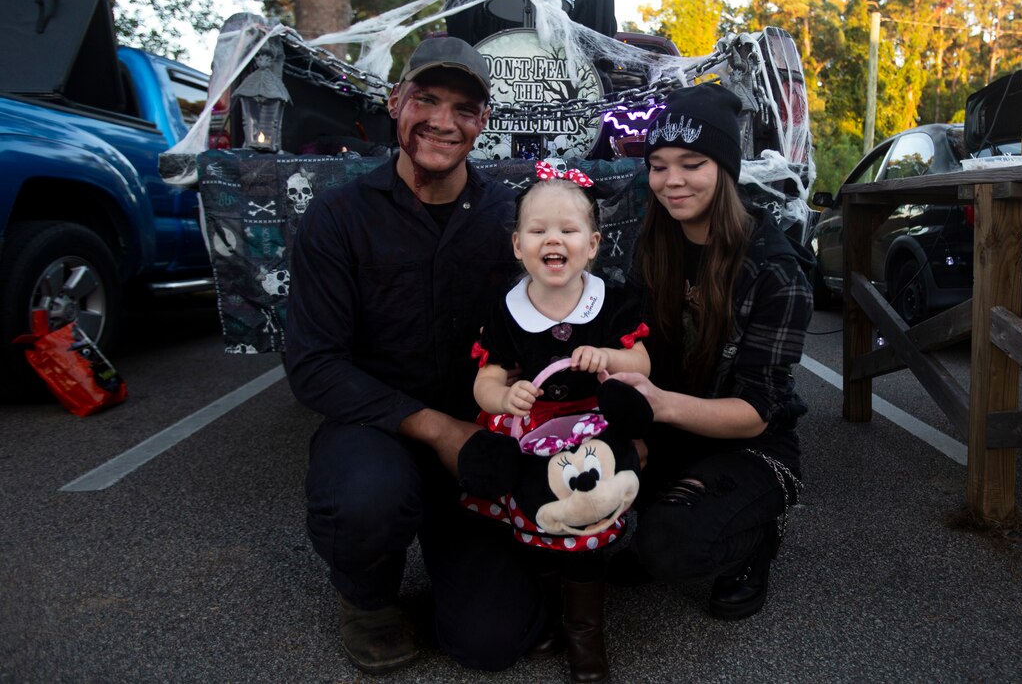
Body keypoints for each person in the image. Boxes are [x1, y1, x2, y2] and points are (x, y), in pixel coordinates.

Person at [284, 36, 546, 674]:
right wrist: (436, 428)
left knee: (491, 643)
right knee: (364, 499)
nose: (442, 121)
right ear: (396, 102)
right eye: (426, 99)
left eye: (464, 108)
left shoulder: (510, 221)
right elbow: (314, 365)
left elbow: (546, 327)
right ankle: (368, 597)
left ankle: (475, 564)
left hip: (480, 434)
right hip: (377, 431)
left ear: (483, 122)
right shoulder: (338, 217)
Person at [606, 82, 813, 621]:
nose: (671, 181)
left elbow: (754, 413)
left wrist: (655, 406)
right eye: (657, 164)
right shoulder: (649, 242)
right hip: (667, 427)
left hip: (748, 444)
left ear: (724, 168)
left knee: (672, 548)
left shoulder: (776, 272)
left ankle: (755, 539)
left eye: (692, 163)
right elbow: (626, 339)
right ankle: (666, 510)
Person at [469, 165, 651, 682]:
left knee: (587, 519)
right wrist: (505, 394)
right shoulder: (507, 310)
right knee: (536, 517)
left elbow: (642, 365)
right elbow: (486, 379)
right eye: (538, 230)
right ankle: (549, 613)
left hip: (595, 427)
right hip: (535, 431)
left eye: (568, 230)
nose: (554, 239)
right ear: (517, 246)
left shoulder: (608, 303)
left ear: (591, 245)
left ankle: (584, 633)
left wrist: (609, 358)